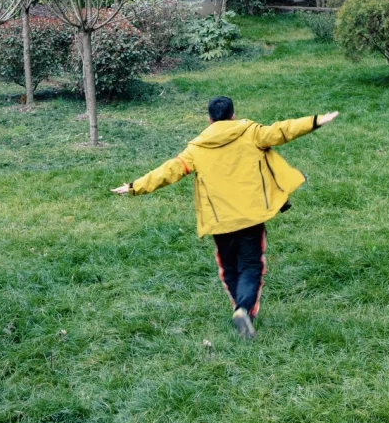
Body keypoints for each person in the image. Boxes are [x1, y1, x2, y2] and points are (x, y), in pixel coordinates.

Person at [112, 95, 339, 338]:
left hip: (219, 221)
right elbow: (283, 130)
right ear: (232, 115)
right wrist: (316, 121)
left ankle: (240, 309)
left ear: (209, 120)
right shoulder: (251, 132)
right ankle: (243, 309)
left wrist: (135, 186)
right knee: (251, 265)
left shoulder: (196, 149)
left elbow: (169, 171)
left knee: (229, 267)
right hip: (251, 216)